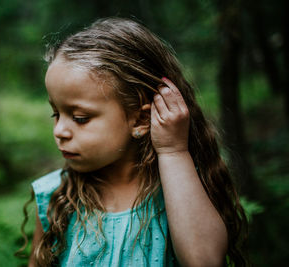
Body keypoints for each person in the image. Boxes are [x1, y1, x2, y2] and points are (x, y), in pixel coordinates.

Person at [20, 17, 248, 266]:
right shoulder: (57, 199)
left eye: (80, 118)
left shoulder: (177, 192)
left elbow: (204, 261)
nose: (60, 130)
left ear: (140, 118)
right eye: (56, 113)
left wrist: (173, 151)